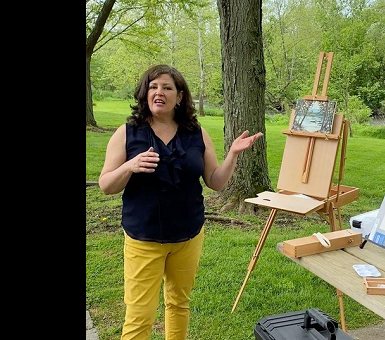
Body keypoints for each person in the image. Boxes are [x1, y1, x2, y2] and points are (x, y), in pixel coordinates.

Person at [98, 64, 263, 340]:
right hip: (144, 240)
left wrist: (233, 154)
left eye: (167, 87)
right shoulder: (127, 133)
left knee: (178, 304)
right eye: (153, 86)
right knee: (140, 317)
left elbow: (214, 180)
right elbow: (105, 185)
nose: (158, 92)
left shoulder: (196, 133)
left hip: (188, 237)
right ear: (145, 93)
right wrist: (130, 166)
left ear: (180, 96)